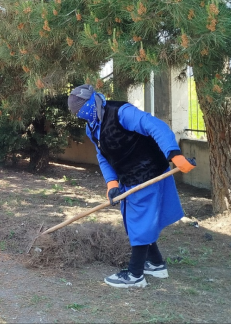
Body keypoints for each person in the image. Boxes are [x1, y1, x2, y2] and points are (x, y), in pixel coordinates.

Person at [68, 84, 195, 289]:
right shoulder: (92, 126)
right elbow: (103, 156)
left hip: (148, 173)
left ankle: (135, 275)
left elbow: (155, 126)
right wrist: (111, 183)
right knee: (135, 221)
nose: (82, 116)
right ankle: (155, 263)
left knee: (139, 221)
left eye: (82, 110)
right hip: (128, 177)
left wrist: (174, 153)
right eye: (78, 114)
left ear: (92, 102)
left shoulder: (122, 113)